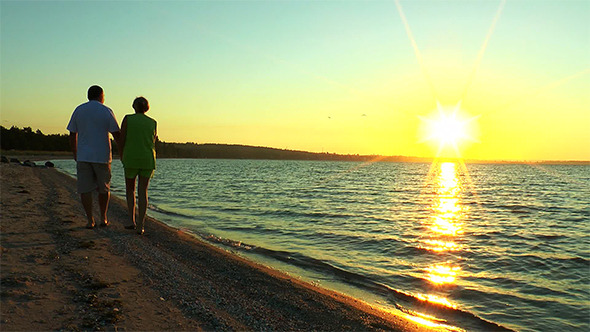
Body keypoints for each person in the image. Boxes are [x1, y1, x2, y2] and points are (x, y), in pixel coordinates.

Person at [67, 85, 121, 228]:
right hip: (102, 156)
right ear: (101, 96)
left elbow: (72, 133)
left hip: (83, 155)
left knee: (85, 189)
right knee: (103, 189)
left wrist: (75, 152)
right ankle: (103, 218)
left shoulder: (79, 110)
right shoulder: (106, 111)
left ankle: (90, 219)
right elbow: (116, 133)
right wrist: (122, 151)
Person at [119, 97, 157, 235]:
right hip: (147, 159)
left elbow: (122, 139)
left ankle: (131, 220)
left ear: (134, 106)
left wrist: (121, 154)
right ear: (147, 108)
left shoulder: (128, 119)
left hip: (131, 157)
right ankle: (141, 224)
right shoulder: (152, 122)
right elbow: (153, 140)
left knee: (130, 190)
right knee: (143, 191)